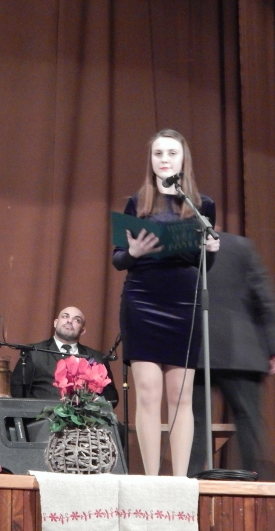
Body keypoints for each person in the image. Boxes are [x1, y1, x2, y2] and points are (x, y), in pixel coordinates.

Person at [112, 128, 220, 476]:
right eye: (158, 153)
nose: (164, 159)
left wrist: (211, 250)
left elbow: (204, 265)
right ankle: (151, 481)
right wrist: (133, 252)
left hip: (184, 304)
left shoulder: (202, 206)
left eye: (172, 153)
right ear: (151, 160)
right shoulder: (137, 203)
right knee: (147, 393)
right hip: (143, 300)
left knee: (180, 396)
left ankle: (179, 482)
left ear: (183, 159)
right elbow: (118, 259)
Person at [187, 232, 275, 476]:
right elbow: (264, 299)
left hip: (197, 347)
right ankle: (252, 483)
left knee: (195, 421)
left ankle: (191, 482)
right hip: (242, 351)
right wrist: (272, 348)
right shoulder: (241, 246)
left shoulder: (182, 250)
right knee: (248, 421)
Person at [10, 306, 119, 407]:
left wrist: (89, 407)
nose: (69, 321)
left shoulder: (97, 358)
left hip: (85, 417)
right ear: (55, 323)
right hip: (43, 417)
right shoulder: (33, 352)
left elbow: (111, 397)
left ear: (82, 331)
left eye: (77, 320)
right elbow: (17, 390)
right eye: (65, 316)